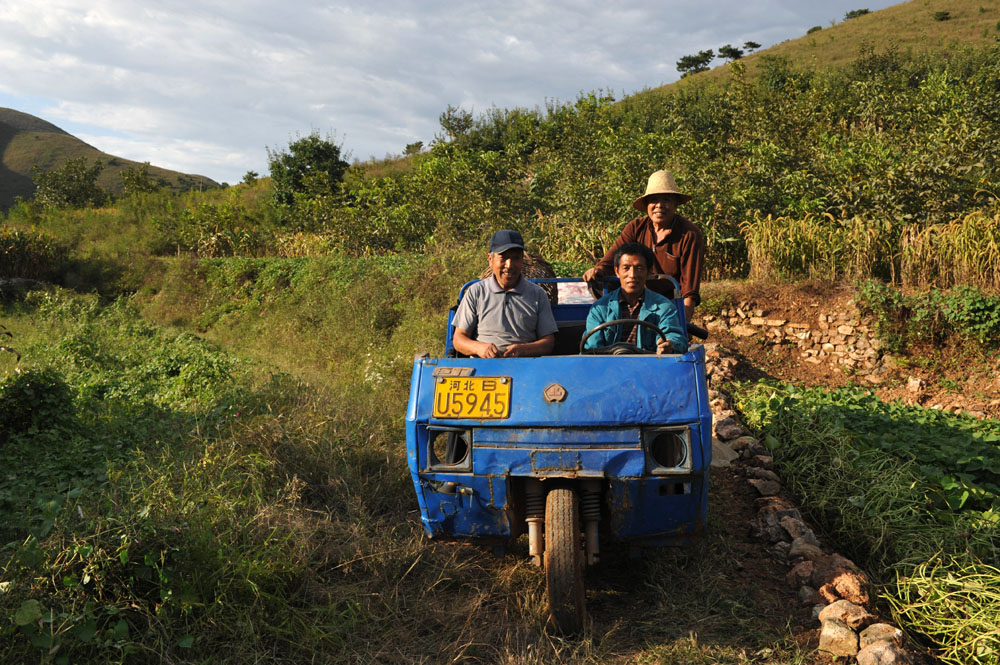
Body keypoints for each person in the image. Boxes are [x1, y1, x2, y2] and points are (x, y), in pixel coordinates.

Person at [583, 170, 705, 322]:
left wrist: (683, 320)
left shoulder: (689, 234)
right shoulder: (635, 228)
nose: (659, 206)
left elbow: (689, 287)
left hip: (667, 303)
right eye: (654, 200)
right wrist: (598, 269)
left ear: (675, 204)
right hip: (634, 297)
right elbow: (612, 259)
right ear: (647, 205)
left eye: (666, 200)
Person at [452, 229, 558, 358]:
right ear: (490, 259)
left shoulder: (538, 294)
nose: (509, 265)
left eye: (516, 258)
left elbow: (548, 342)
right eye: (503, 257)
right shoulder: (476, 292)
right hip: (483, 367)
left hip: (526, 367)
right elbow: (458, 339)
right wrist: (479, 348)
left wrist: (524, 350)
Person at [583, 242, 688, 354]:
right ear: (617, 271)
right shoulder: (600, 309)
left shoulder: (664, 307)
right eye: (626, 268)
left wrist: (668, 345)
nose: (632, 275)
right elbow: (592, 349)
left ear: (648, 272)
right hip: (609, 368)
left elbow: (675, 337)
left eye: (639, 268)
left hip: (650, 367)